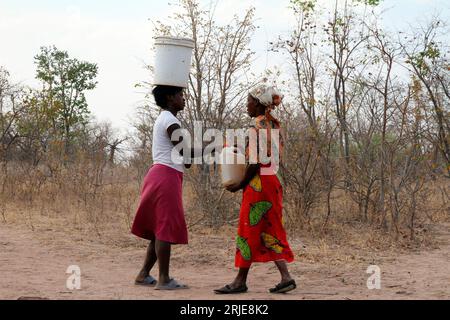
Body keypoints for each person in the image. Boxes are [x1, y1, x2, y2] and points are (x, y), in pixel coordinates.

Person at [214, 84, 296, 294]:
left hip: (258, 183)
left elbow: (255, 163)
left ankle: (240, 281)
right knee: (268, 229)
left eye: (249, 100)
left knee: (248, 228)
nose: (247, 104)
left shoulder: (257, 127)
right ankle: (286, 277)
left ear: (258, 103)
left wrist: (239, 184)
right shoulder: (274, 125)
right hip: (272, 182)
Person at [131, 85, 193, 290]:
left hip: (160, 174)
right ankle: (164, 279)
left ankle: (143, 274)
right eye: (180, 95)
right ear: (169, 98)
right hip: (166, 176)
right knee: (164, 227)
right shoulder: (170, 120)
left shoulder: (165, 118)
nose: (183, 99)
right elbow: (187, 155)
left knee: (160, 228)